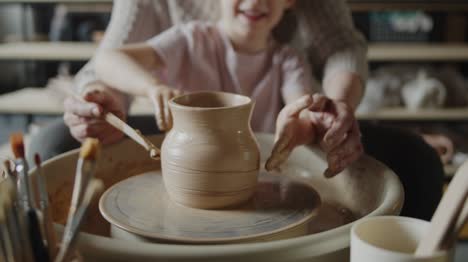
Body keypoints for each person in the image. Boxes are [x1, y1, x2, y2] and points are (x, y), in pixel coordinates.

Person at [28, 0, 443, 220]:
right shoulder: (190, 38)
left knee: (417, 161)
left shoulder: (286, 59)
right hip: (176, 147)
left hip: (259, 164)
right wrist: (140, 87)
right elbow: (109, 58)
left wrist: (308, 121)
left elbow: (308, 95)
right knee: (51, 144)